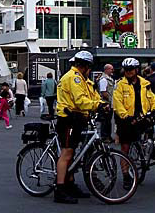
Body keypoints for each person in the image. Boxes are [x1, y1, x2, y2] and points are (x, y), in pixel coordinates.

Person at [54, 51, 105, 204]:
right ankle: (60, 189)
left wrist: (100, 104)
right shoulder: (73, 78)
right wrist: (98, 105)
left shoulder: (83, 80)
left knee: (73, 152)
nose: (89, 69)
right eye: (89, 66)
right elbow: (80, 100)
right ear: (85, 65)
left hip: (77, 119)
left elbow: (92, 96)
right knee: (67, 153)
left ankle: (69, 184)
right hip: (68, 119)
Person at [113, 58, 155, 189]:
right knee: (125, 148)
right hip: (128, 119)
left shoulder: (145, 83)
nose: (128, 72)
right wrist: (125, 117)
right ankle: (126, 176)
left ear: (137, 70)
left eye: (131, 69)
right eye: (126, 69)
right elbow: (117, 103)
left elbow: (152, 99)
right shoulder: (120, 85)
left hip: (143, 116)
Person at [97, 64, 115, 142]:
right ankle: (105, 137)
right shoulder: (103, 79)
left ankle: (108, 136)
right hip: (105, 104)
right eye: (111, 69)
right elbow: (103, 92)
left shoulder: (109, 79)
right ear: (106, 69)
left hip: (109, 103)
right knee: (105, 121)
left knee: (108, 121)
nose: (112, 71)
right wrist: (109, 100)